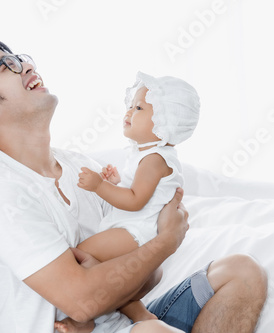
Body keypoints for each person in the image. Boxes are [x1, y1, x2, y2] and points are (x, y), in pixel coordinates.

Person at [0, 37, 268, 333]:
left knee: (242, 272)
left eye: (20, 57)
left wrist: (125, 272)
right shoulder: (0, 195)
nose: (25, 65)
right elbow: (83, 303)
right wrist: (167, 241)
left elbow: (149, 274)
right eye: (5, 65)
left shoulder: (81, 169)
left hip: (121, 322)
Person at [56, 73, 200, 332]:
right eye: (131, 105)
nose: (129, 111)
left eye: (139, 107)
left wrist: (100, 187)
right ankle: (126, 315)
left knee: (80, 257)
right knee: (109, 274)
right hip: (137, 228)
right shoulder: (148, 156)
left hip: (137, 232)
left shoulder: (154, 159)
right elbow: (141, 192)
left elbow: (135, 201)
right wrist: (116, 182)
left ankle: (92, 318)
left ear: (165, 123)